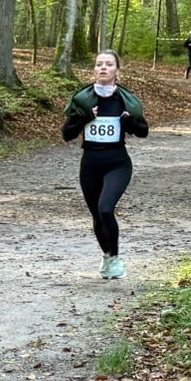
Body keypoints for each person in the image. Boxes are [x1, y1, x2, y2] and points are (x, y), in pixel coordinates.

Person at [61, 50, 150, 280]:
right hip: (90, 164)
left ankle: (116, 258)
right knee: (97, 216)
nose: (103, 68)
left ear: (116, 71)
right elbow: (66, 134)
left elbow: (143, 131)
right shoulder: (83, 100)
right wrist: (84, 118)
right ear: (94, 70)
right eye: (99, 64)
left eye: (108, 64)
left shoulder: (125, 100)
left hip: (117, 164)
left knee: (105, 208)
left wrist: (129, 122)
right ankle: (108, 257)